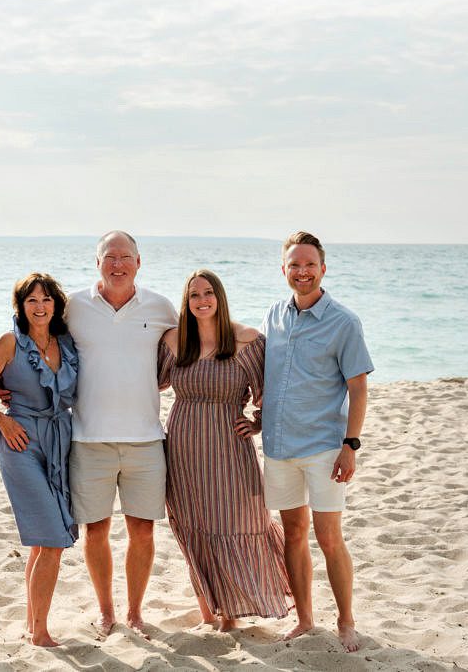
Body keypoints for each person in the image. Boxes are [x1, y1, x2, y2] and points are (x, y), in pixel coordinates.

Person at [158, 269, 291, 631]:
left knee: (235, 521)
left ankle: (231, 611)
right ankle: (209, 609)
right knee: (191, 525)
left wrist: (258, 422)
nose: (201, 301)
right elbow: (147, 382)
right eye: (194, 295)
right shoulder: (173, 342)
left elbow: (270, 392)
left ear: (219, 297)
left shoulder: (246, 340)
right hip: (183, 448)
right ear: (186, 302)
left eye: (208, 293)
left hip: (229, 447)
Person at [261, 231, 374, 652]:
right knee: (292, 533)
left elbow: (358, 388)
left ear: (323, 269)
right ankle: (305, 618)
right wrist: (259, 418)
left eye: (310, 264)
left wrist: (352, 445)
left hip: (326, 447)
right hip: (279, 448)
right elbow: (270, 378)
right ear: (284, 270)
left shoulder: (344, 322)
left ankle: (346, 621)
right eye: (295, 265)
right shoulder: (274, 314)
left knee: (329, 537)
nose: (302, 272)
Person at [65, 230, 178, 636]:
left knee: (142, 530)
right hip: (88, 439)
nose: (117, 264)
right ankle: (106, 611)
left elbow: (199, 337)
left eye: (125, 257)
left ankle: (134, 612)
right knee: (95, 529)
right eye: (109, 257)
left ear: (138, 262)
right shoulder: (72, 307)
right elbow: (36, 342)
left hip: (146, 439)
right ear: (97, 262)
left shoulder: (162, 307)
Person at [0, 273, 78, 648]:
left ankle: (31, 622)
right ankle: (40, 632)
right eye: (32, 300)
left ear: (57, 305)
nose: (40, 306)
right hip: (19, 442)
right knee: (52, 539)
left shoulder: (66, 344)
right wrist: (0, 418)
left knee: (41, 543)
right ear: (20, 306)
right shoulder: (9, 343)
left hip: (59, 440)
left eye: (46, 300)